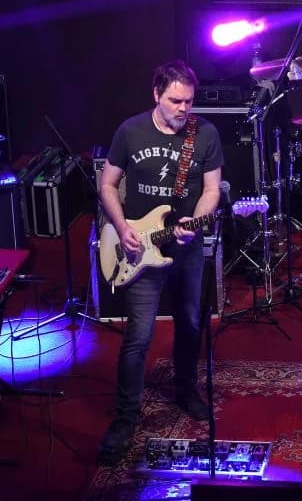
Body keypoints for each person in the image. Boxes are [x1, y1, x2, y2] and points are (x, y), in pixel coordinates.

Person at [96, 61, 224, 465]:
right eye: (175, 100)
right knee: (138, 336)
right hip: (137, 246)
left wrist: (195, 221)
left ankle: (186, 389)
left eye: (189, 101)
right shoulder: (130, 131)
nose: (183, 108)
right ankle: (125, 417)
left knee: (190, 322)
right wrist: (122, 227)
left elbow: (211, 190)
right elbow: (107, 184)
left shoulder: (205, 134)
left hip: (184, 246)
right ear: (156, 94)